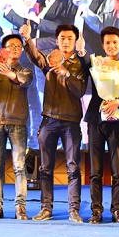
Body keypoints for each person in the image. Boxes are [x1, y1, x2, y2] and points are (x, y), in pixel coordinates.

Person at [21, 21, 87, 222]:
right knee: (45, 168)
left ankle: (73, 210)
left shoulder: (80, 64)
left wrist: (67, 74)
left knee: (73, 167)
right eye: (62, 38)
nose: (66, 42)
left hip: (71, 122)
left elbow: (80, 91)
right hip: (49, 120)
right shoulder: (50, 60)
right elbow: (36, 57)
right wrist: (27, 39)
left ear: (76, 42)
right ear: (56, 41)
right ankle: (46, 208)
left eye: (70, 38)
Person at [0, 34, 34, 220]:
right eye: (11, 46)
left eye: (19, 46)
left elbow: (24, 81)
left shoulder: (26, 70)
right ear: (4, 49)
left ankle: (20, 207)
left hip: (18, 123)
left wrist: (9, 73)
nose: (15, 49)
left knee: (20, 166)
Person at [85, 26, 119, 224]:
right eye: (107, 43)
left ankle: (117, 210)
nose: (111, 46)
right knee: (95, 171)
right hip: (96, 120)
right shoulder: (96, 63)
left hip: (116, 121)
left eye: (115, 42)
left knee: (117, 170)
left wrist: (118, 102)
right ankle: (96, 210)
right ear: (102, 45)